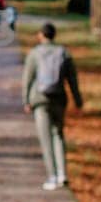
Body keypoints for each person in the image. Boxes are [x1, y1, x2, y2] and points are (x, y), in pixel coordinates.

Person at [22, 21, 83, 190]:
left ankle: (52, 176)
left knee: (45, 138)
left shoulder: (35, 54)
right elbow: (72, 79)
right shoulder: (63, 53)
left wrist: (26, 100)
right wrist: (78, 100)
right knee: (58, 135)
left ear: (40, 35)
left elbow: (27, 78)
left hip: (40, 100)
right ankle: (63, 173)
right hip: (59, 99)